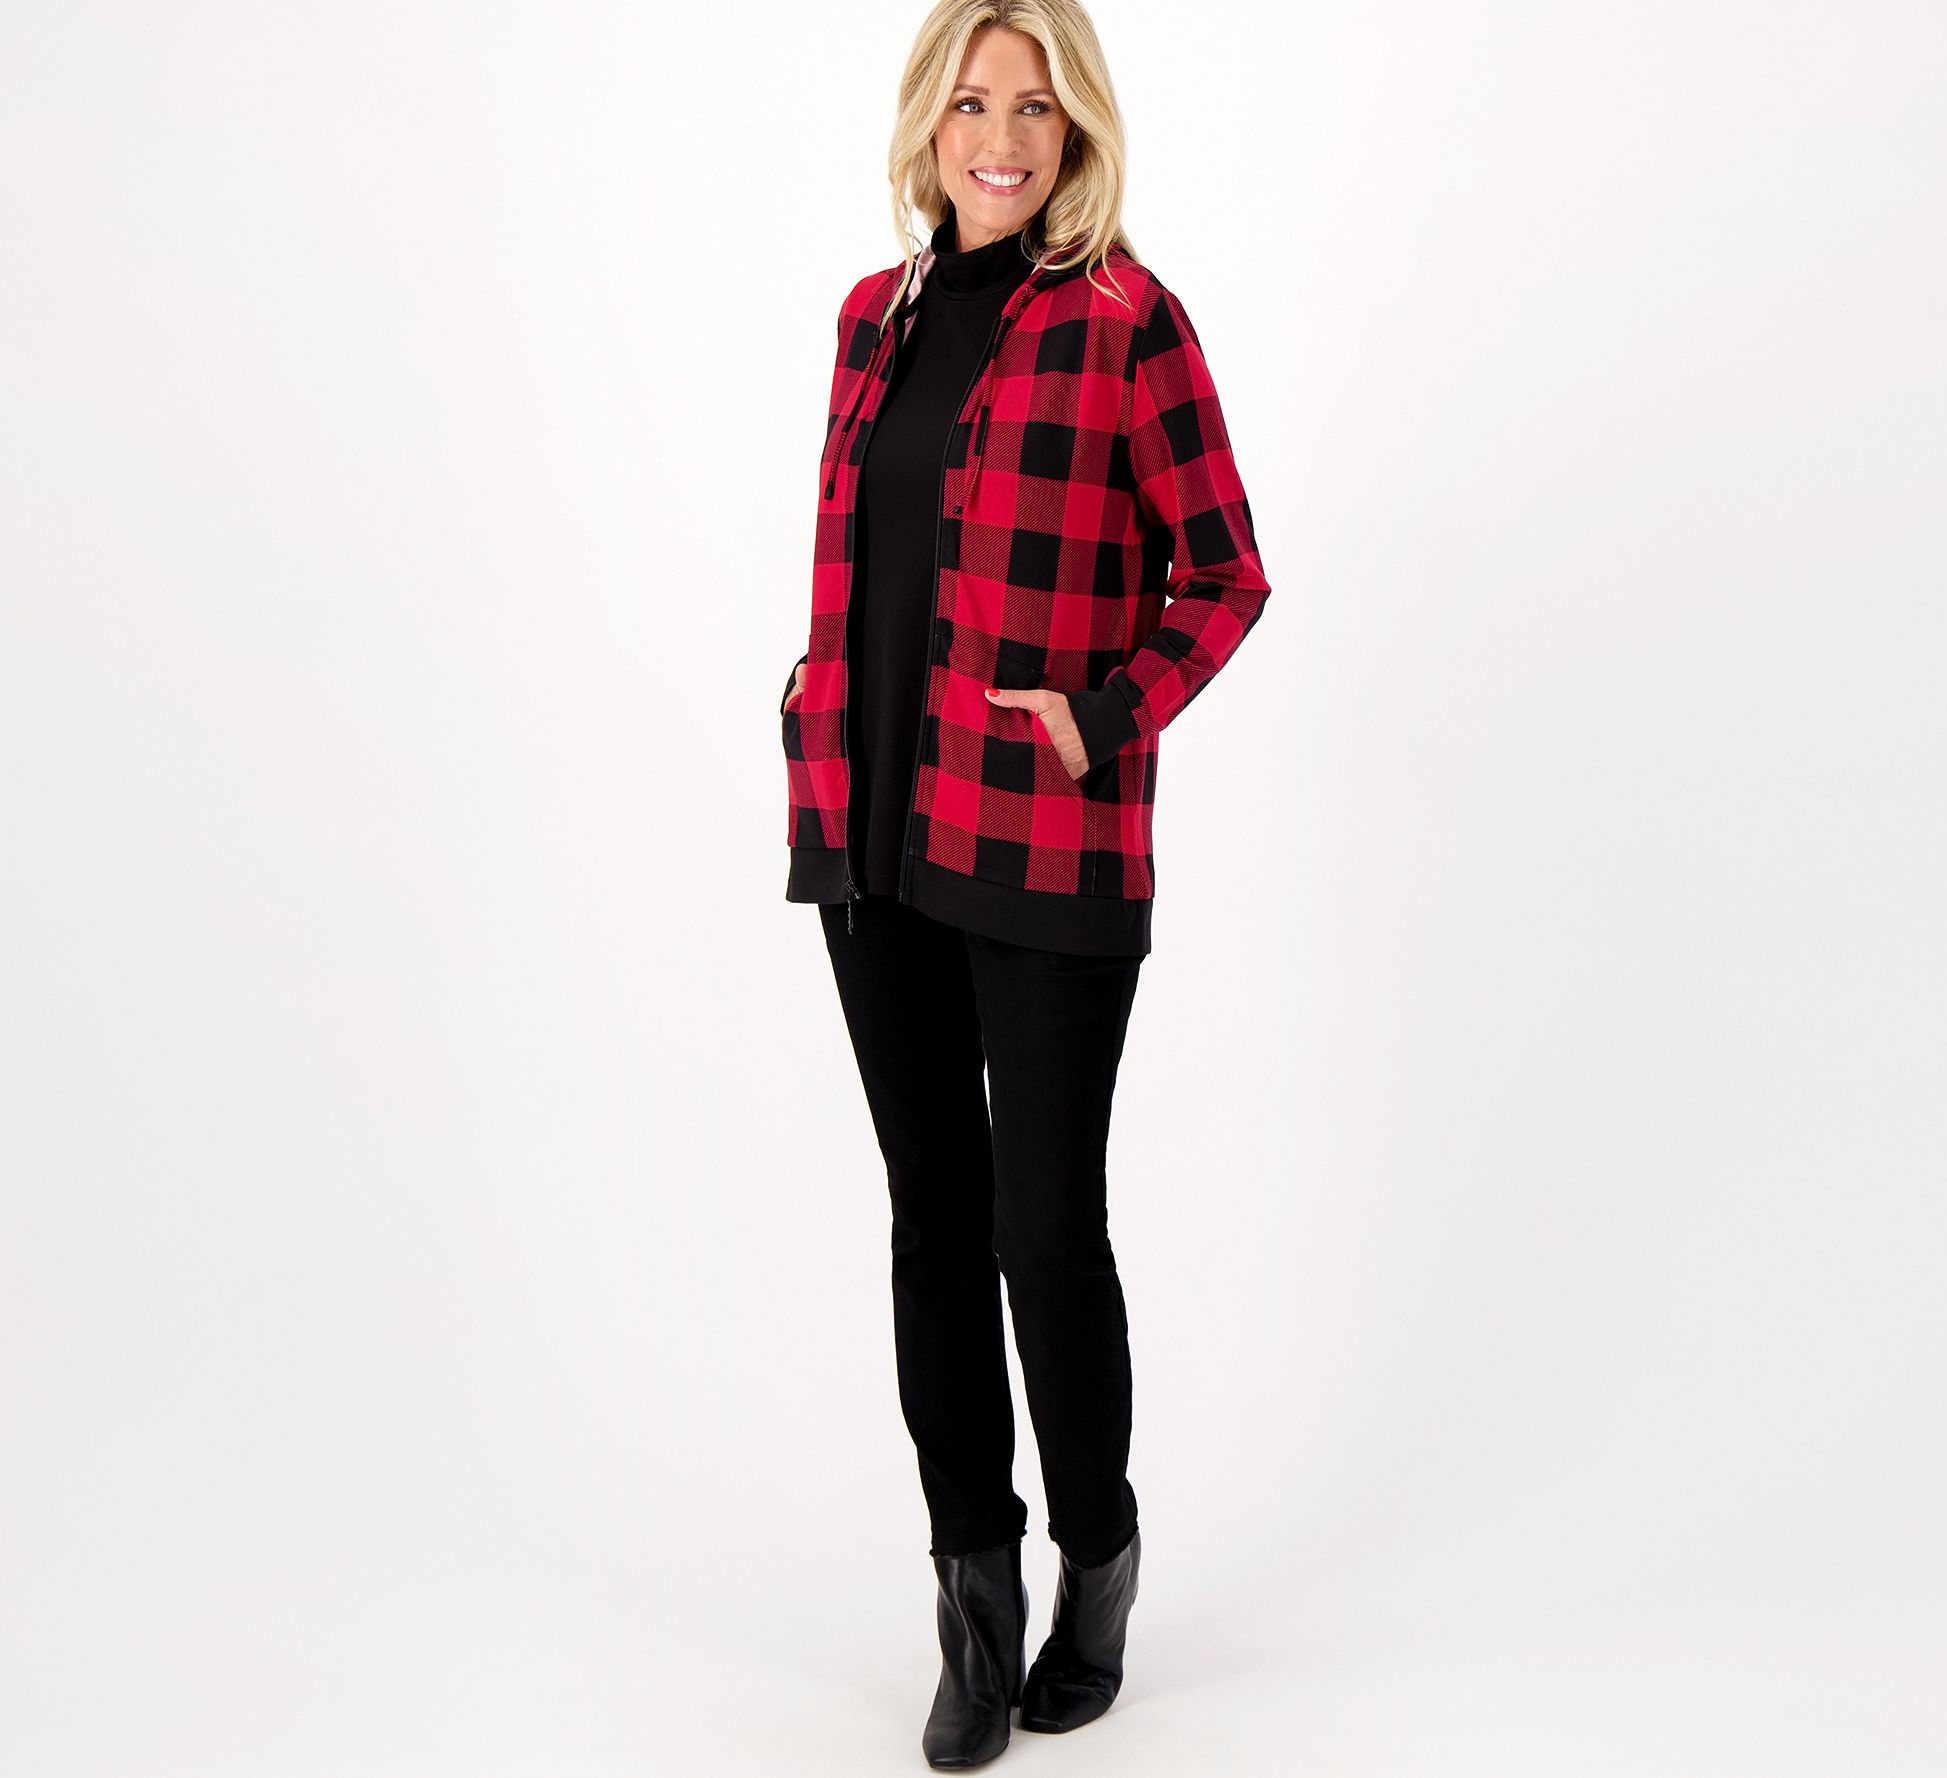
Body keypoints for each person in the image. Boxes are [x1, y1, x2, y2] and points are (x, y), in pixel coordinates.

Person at [778, 1, 1269, 1766]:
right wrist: (808, 697)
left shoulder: (1130, 321)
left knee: (1042, 1228)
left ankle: (1100, 1555)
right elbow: (862, 556)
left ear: (1078, 133)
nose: (999, 138)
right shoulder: (873, 318)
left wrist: (1105, 712)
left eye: (1034, 109)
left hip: (1045, 834)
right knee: (931, 1215)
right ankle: (972, 1609)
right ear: (931, 121)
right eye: (971, 103)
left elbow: (1227, 573)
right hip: (873, 827)